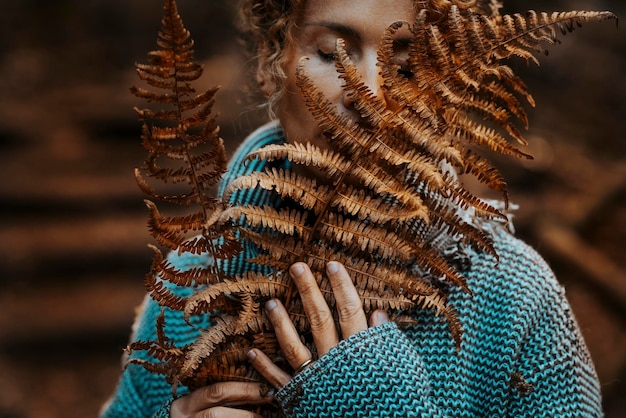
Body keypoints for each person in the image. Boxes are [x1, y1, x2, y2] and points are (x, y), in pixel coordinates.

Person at [100, 0, 603, 416]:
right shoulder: (191, 279)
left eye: (404, 66)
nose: (371, 93)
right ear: (269, 61)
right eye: (331, 53)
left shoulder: (512, 298)